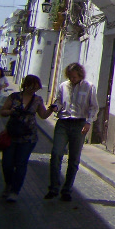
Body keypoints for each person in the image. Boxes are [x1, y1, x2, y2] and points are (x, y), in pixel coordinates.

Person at [46, 62, 99, 202]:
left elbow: (93, 107)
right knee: (56, 153)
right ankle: (53, 187)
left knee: (74, 158)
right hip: (63, 122)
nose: (72, 79)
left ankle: (67, 190)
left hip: (79, 123)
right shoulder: (63, 86)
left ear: (80, 75)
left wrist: (89, 122)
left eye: (75, 77)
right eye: (70, 77)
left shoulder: (89, 87)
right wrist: (55, 107)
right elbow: (59, 101)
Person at [0, 74, 54, 202]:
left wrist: (51, 109)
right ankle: (8, 184)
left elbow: (43, 115)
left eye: (36, 88)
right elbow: (2, 112)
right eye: (32, 87)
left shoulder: (38, 100)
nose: (34, 90)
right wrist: (10, 111)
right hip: (11, 134)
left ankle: (14, 191)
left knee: (21, 163)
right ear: (26, 85)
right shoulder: (14, 97)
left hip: (29, 136)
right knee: (7, 163)